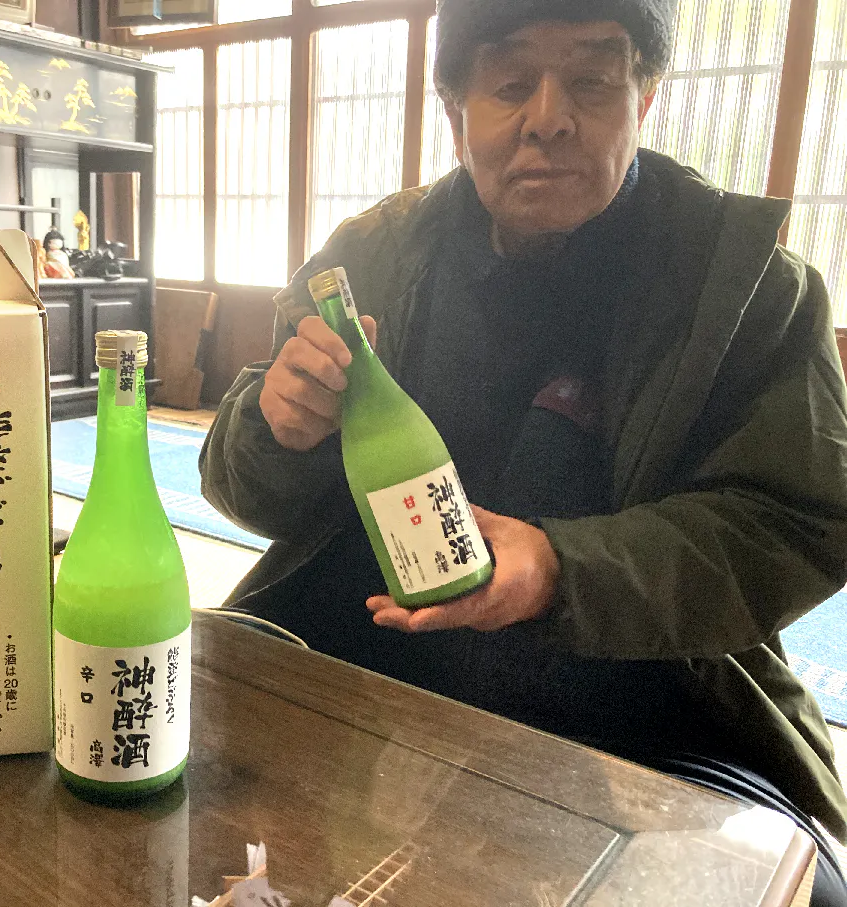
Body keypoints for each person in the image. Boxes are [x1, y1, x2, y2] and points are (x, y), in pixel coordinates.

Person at [199, 0, 847, 902]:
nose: (549, 116)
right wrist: (279, 428)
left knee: (795, 891)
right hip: (356, 661)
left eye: (591, 79)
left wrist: (561, 568)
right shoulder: (374, 258)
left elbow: (799, 520)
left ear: (644, 98)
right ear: (455, 112)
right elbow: (243, 492)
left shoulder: (744, 289)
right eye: (509, 84)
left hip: (656, 718)